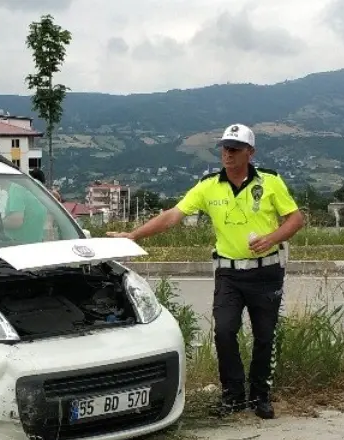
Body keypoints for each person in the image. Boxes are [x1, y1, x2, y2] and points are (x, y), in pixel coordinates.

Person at [107, 123, 305, 419]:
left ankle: (260, 394)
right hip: (228, 273)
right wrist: (134, 235)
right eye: (225, 148)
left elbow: (296, 219)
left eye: (235, 149)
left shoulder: (271, 182)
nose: (228, 154)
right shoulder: (208, 186)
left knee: (265, 335)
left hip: (266, 273)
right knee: (224, 331)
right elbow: (174, 215)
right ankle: (233, 395)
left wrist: (273, 238)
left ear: (250, 153)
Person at [3, 168, 55, 243]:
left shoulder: (16, 188)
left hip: (17, 245)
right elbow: (49, 221)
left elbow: (16, 221)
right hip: (37, 244)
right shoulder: (39, 188)